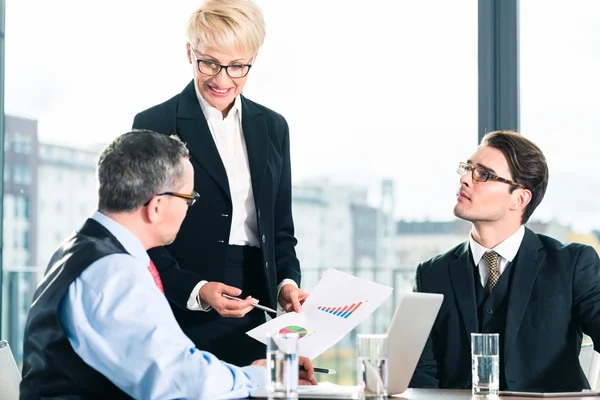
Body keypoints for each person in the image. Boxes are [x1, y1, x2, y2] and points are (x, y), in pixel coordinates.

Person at [20, 131, 316, 400]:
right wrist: (264, 376)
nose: (189, 208)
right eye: (189, 198)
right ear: (157, 206)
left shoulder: (80, 250)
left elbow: (167, 365)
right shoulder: (113, 273)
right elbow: (178, 382)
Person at [132, 0, 306, 366]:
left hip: (255, 311)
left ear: (254, 58)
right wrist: (196, 290)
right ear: (189, 52)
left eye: (238, 66)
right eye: (208, 63)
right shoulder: (156, 123)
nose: (222, 79)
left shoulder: (273, 127)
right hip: (179, 309)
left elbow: (280, 231)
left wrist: (286, 284)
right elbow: (140, 234)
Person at [409, 130, 600, 392]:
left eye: (483, 174)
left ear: (519, 198)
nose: (465, 179)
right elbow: (421, 376)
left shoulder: (572, 263)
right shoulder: (432, 273)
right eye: (468, 168)